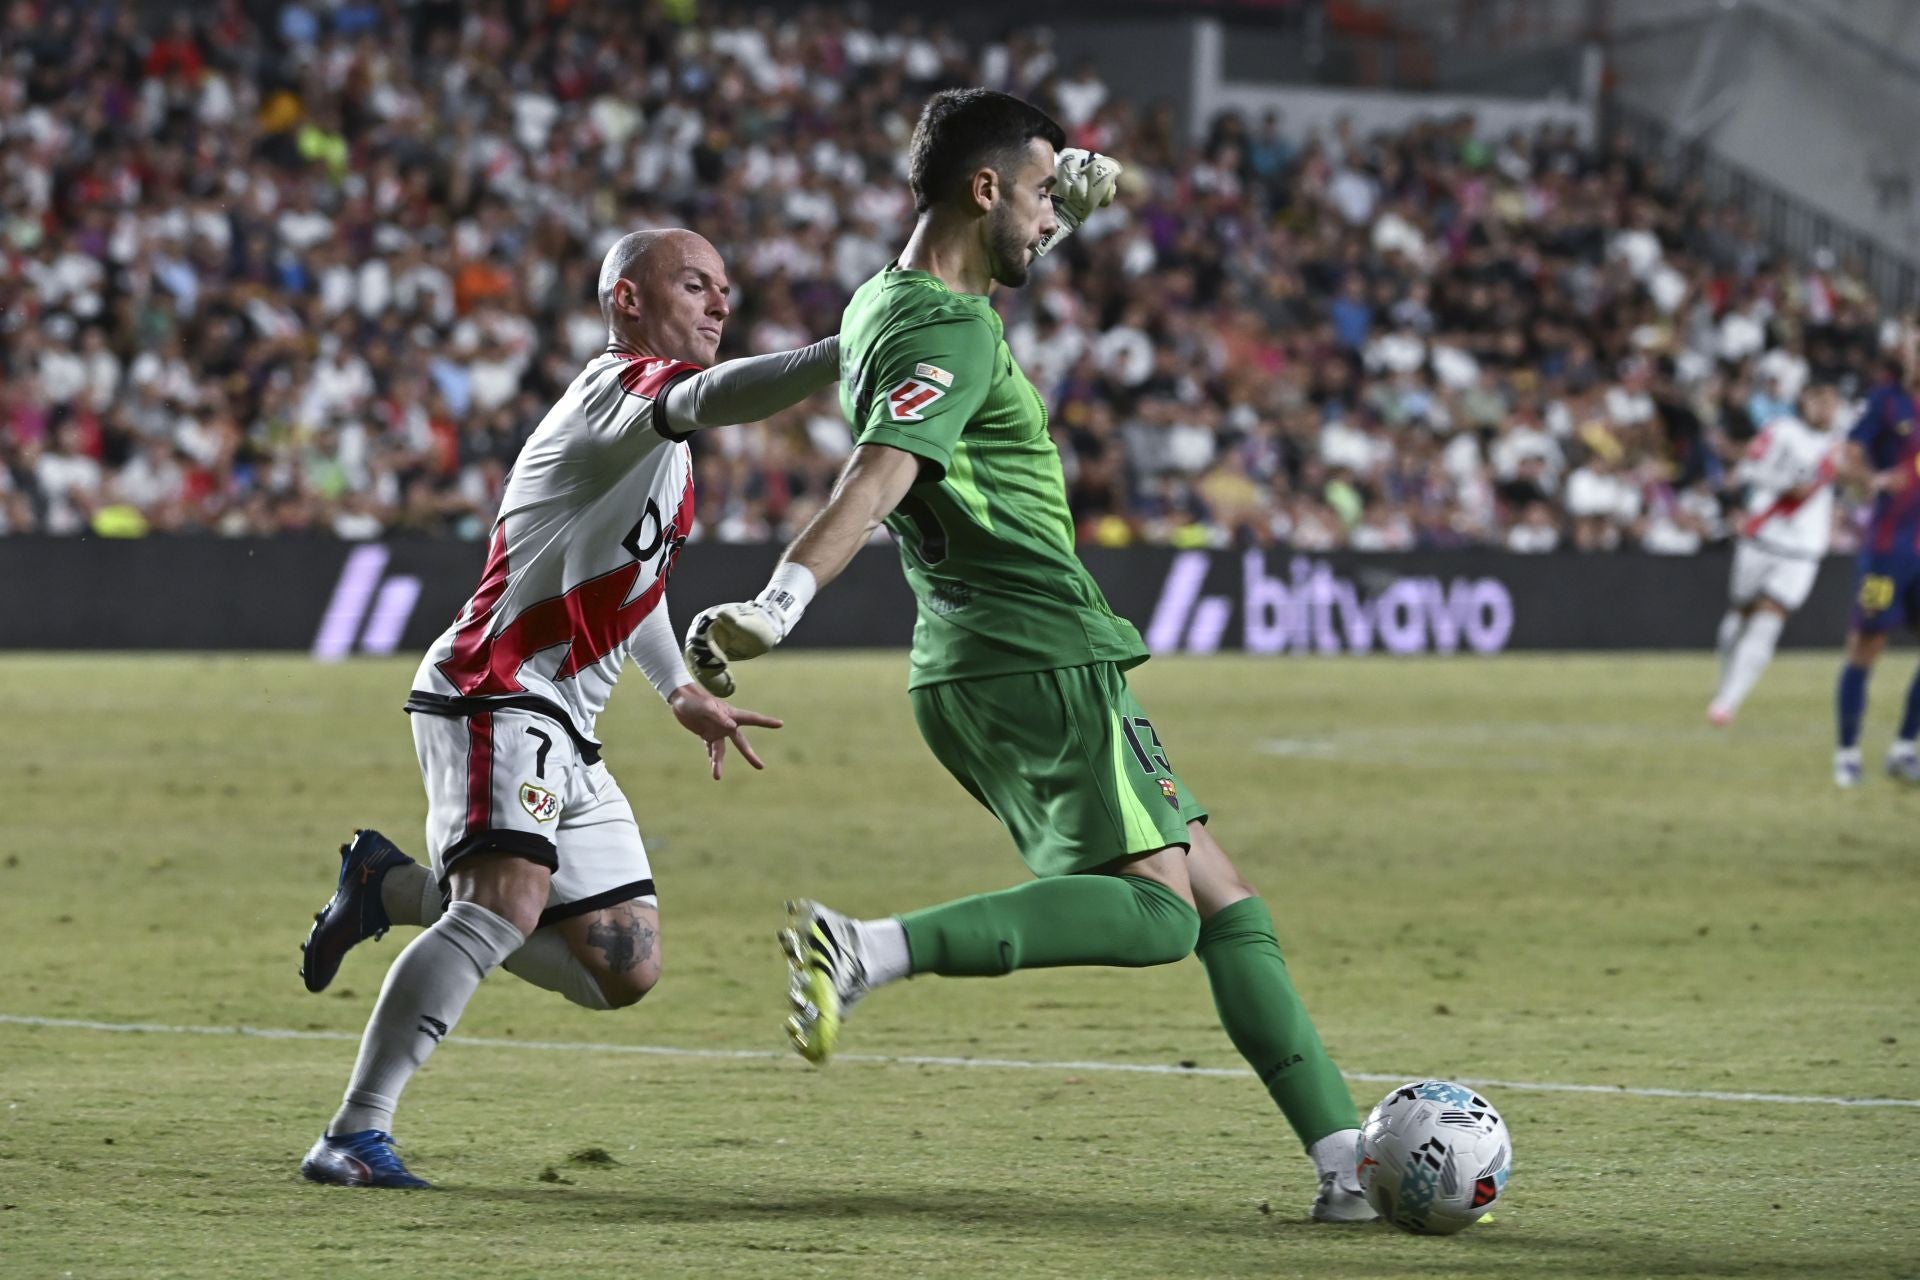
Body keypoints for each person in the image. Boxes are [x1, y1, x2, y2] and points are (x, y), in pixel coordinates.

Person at [682, 89, 1374, 1223]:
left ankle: (1346, 1164)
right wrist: (780, 601)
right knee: (1162, 915)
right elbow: (878, 471)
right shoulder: (949, 332)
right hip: (1034, 648)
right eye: (1045, 194)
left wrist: (1074, 204)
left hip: (977, 655)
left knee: (1226, 899)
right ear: (986, 188)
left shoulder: (888, 300)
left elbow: (969, 282)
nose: (1059, 217)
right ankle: (865, 947)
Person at [297, 228, 839, 1188]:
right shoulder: (617, 392)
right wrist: (851, 349)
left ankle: (388, 887)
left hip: (564, 724)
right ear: (628, 299)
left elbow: (643, 581)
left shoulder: (657, 448)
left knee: (622, 966)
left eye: (726, 290)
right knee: (502, 907)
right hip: (495, 687)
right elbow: (717, 394)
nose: (720, 304)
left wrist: (676, 687)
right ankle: (352, 1133)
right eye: (695, 285)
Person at [1708, 381, 1842, 726]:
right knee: (1741, 612)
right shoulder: (1780, 431)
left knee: (1772, 614)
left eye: (1830, 401)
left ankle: (1727, 703)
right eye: (1818, 399)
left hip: (1804, 548)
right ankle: (1724, 684)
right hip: (1763, 537)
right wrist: (1780, 484)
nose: (1824, 408)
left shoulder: (1841, 444)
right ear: (1804, 402)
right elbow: (1748, 468)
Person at [1833, 352, 1920, 788]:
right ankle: (1847, 754)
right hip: (1886, 553)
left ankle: (1905, 748)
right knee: (1867, 645)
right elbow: (1847, 458)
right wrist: (1873, 480)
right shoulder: (1886, 401)